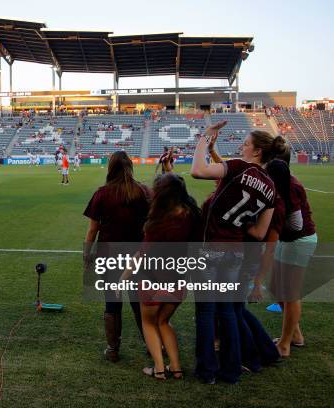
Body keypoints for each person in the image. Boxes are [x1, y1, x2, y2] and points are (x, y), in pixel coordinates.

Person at [190, 122, 287, 384]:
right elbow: (258, 233)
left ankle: (207, 371)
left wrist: (204, 138)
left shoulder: (238, 167)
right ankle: (231, 371)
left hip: (211, 248)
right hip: (236, 253)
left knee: (207, 312)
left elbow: (197, 171)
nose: (241, 146)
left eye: (246, 143)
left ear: (257, 151)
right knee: (228, 312)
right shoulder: (271, 187)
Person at [120, 173, 202, 380]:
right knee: (164, 321)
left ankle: (158, 368)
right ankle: (176, 368)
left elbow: (142, 254)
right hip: (178, 280)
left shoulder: (158, 220)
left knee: (149, 323)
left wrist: (123, 277)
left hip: (152, 280)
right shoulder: (192, 215)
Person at [84, 151, 151, 362]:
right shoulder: (143, 191)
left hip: (109, 255)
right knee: (138, 301)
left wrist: (87, 254)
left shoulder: (102, 193)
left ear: (110, 168)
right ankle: (152, 345)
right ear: (130, 167)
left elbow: (93, 229)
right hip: (137, 256)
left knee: (112, 302)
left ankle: (113, 349)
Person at [270, 152, 317, 357]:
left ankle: (286, 343)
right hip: (288, 240)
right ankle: (295, 335)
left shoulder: (291, 188)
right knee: (276, 287)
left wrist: (273, 224)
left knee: (291, 293)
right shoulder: (283, 186)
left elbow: (296, 225)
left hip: (299, 241)